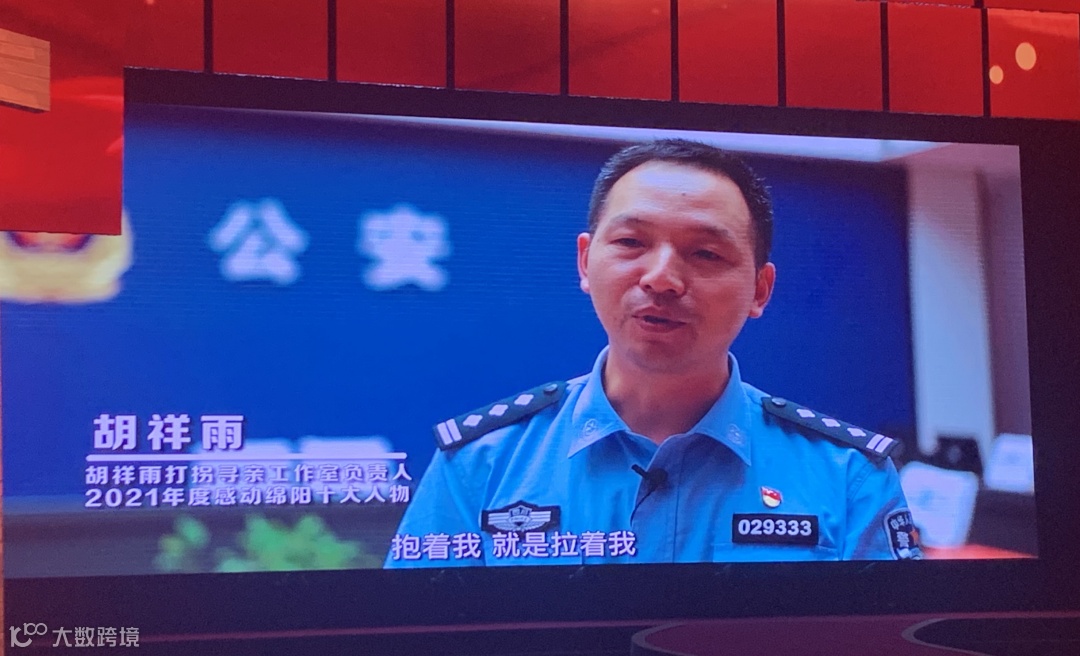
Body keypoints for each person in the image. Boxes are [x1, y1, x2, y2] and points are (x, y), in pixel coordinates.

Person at [385, 139, 920, 567]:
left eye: (705, 253)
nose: (661, 279)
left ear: (760, 290)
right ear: (585, 261)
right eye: (631, 243)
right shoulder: (481, 464)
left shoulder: (849, 476)